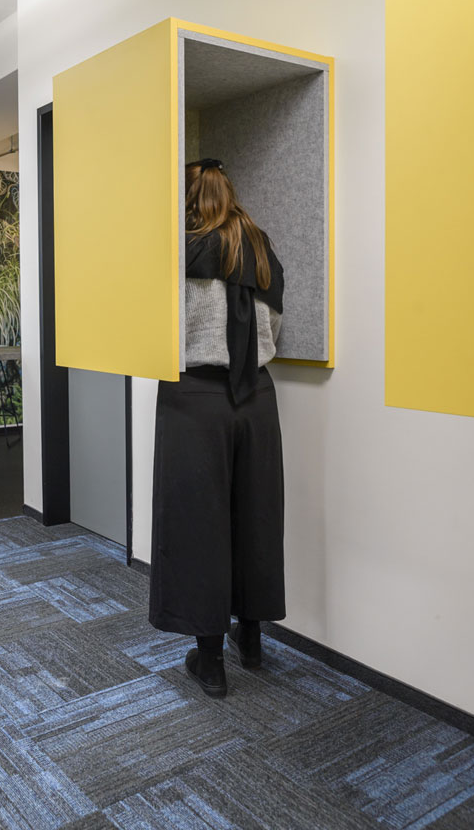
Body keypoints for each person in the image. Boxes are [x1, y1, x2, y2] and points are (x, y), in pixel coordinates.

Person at [149, 157, 286, 698]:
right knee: (256, 517)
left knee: (197, 525)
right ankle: (251, 641)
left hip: (194, 398)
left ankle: (210, 662)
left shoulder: (175, 249)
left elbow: (156, 327)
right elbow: (275, 324)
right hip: (257, 398)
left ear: (184, 197)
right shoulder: (259, 245)